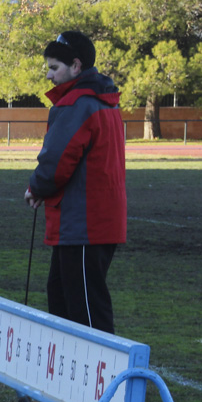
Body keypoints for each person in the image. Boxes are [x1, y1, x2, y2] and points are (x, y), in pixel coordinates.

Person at [25, 31, 125, 334]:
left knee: (85, 309)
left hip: (84, 224)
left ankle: (104, 376)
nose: (49, 75)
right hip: (94, 221)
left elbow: (58, 159)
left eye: (54, 68)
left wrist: (37, 187)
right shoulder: (105, 102)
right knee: (62, 297)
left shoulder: (78, 104)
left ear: (76, 66)